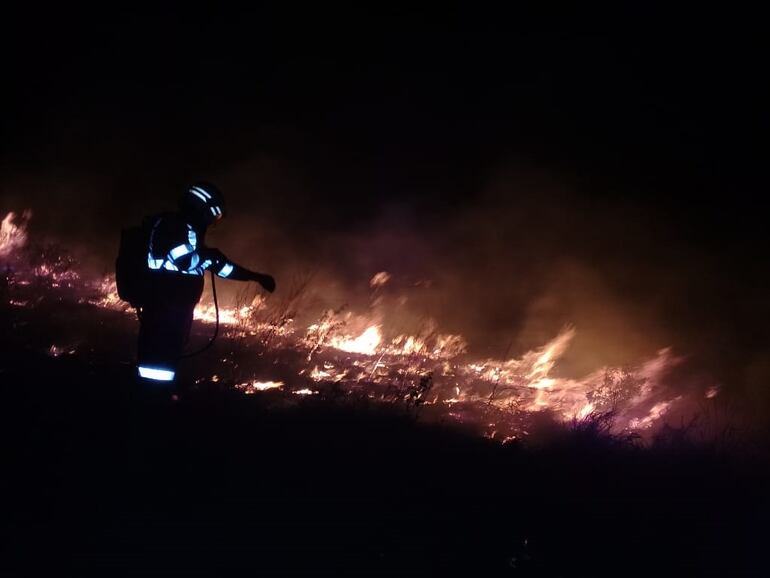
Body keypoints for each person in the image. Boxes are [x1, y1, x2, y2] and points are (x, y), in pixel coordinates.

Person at [135, 182, 275, 384]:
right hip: (163, 310)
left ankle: (157, 394)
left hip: (173, 310)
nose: (211, 224)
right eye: (212, 217)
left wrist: (255, 277)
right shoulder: (174, 226)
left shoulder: (187, 231)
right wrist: (209, 257)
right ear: (201, 209)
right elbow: (183, 260)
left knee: (166, 364)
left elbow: (222, 268)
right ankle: (151, 397)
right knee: (157, 369)